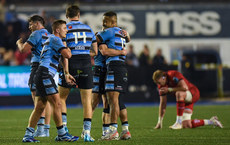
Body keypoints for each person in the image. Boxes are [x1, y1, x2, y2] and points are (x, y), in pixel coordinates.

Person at [21, 20, 78, 143]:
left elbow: (62, 57)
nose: (66, 30)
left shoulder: (51, 39)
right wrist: (69, 46)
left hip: (41, 73)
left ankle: (28, 135)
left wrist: (66, 73)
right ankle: (62, 133)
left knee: (40, 106)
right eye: (64, 28)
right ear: (57, 30)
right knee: (57, 103)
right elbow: (67, 55)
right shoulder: (56, 39)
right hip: (45, 74)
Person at [58, 5, 98, 142]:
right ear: (79, 15)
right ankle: (86, 132)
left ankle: (63, 129)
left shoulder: (65, 29)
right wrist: (86, 53)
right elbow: (96, 52)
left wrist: (66, 71)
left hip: (71, 62)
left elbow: (63, 52)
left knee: (61, 98)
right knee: (87, 101)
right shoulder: (88, 29)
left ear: (67, 15)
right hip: (86, 63)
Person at [96, 11, 131, 140]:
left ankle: (113, 130)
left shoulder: (109, 31)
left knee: (112, 100)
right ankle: (125, 131)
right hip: (121, 67)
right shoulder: (121, 32)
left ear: (113, 22)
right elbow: (128, 38)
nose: (103, 23)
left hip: (114, 67)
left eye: (106, 21)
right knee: (118, 101)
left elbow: (95, 40)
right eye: (103, 20)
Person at [16, 15, 51, 137]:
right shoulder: (49, 34)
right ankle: (45, 129)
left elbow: (24, 50)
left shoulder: (36, 34)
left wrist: (19, 43)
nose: (30, 27)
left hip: (37, 67)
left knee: (37, 98)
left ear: (37, 23)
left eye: (31, 24)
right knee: (46, 99)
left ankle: (41, 130)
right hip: (48, 67)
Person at [152, 70, 223, 129]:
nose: (159, 84)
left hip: (193, 93)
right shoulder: (161, 85)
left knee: (179, 93)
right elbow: (163, 103)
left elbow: (185, 87)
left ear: (163, 77)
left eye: (159, 82)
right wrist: (159, 122)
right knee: (187, 125)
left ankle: (178, 122)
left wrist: (169, 89)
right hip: (184, 100)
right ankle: (212, 121)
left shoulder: (173, 74)